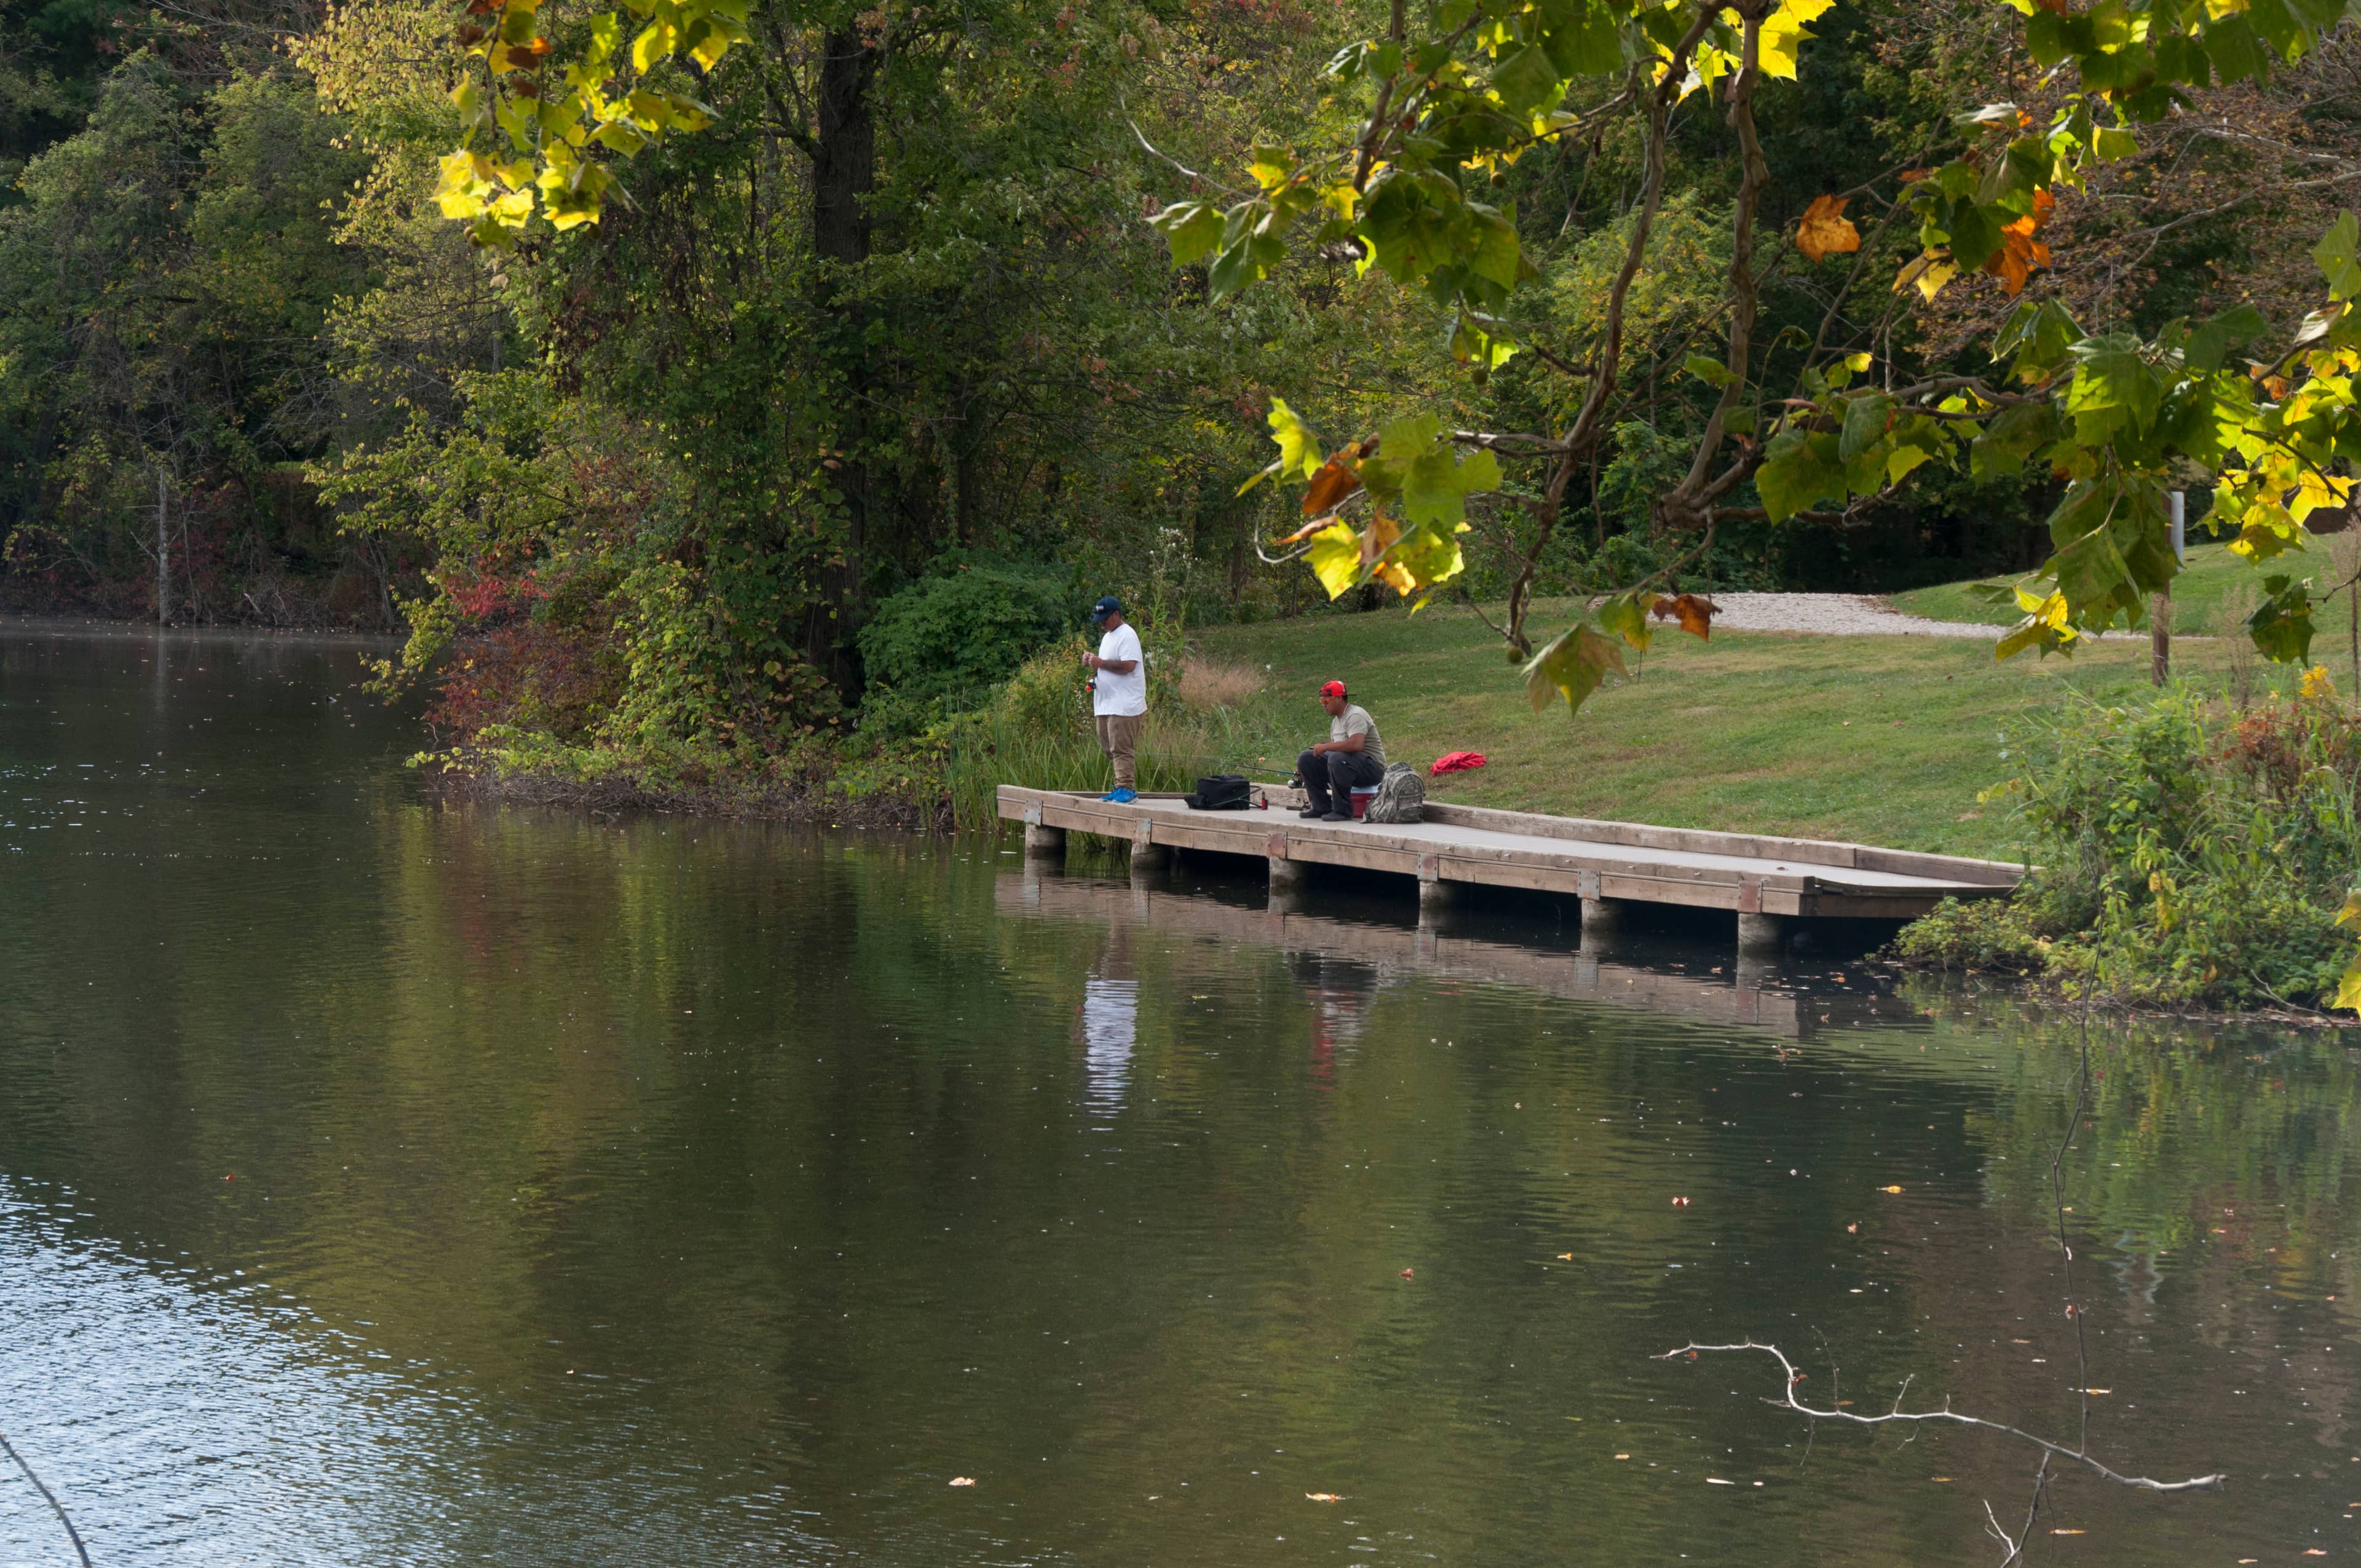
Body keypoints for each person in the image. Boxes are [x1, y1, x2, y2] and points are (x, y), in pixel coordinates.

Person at [1083, 594, 1145, 803]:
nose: (1102, 624)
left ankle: (1127, 788)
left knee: (1121, 748)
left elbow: (1129, 666)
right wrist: (1091, 660)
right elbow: (1106, 662)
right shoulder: (1108, 637)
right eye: (1100, 620)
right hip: (1105, 704)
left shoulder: (1127, 635)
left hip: (1124, 705)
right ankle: (1119, 785)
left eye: (1105, 619)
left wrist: (1100, 663)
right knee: (1109, 748)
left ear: (1117, 614)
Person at [1296, 679, 1385, 822]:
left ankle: (1342, 811)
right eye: (1321, 701)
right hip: (1347, 765)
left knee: (1337, 758)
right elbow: (1339, 749)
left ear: (1339, 698)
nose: (1324, 704)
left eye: (1326, 700)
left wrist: (1325, 747)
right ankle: (1321, 806)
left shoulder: (1355, 715)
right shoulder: (1336, 722)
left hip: (1372, 770)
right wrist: (1320, 753)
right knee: (1306, 758)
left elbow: (1356, 745)